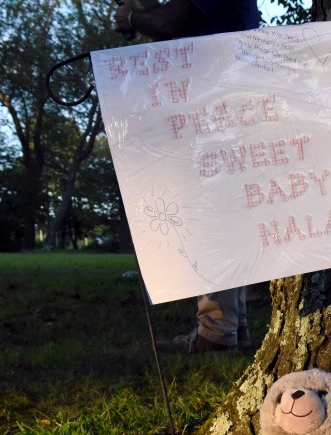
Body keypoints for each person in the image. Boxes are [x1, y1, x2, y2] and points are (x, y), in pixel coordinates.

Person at [114, 0, 262, 352]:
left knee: (209, 213)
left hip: (212, 99)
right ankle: (229, 328)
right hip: (225, 97)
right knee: (223, 215)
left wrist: (134, 17)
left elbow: (170, 22)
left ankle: (216, 329)